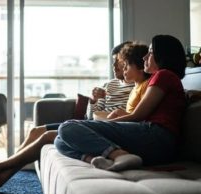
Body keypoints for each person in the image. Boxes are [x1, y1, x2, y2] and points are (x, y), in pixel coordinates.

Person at [0, 41, 134, 193]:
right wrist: (94, 100)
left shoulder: (135, 86)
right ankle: (0, 174)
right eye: (113, 61)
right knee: (35, 131)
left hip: (102, 128)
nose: (114, 65)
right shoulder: (109, 85)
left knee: (47, 136)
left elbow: (129, 115)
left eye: (118, 61)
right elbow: (91, 115)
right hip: (90, 124)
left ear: (127, 61)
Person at [54, 34, 187, 172]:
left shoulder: (164, 75)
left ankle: (120, 155)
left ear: (163, 56)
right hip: (151, 140)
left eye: (151, 52)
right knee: (59, 140)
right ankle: (99, 159)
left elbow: (138, 115)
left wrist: (104, 124)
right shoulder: (162, 78)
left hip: (157, 138)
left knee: (67, 127)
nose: (145, 57)